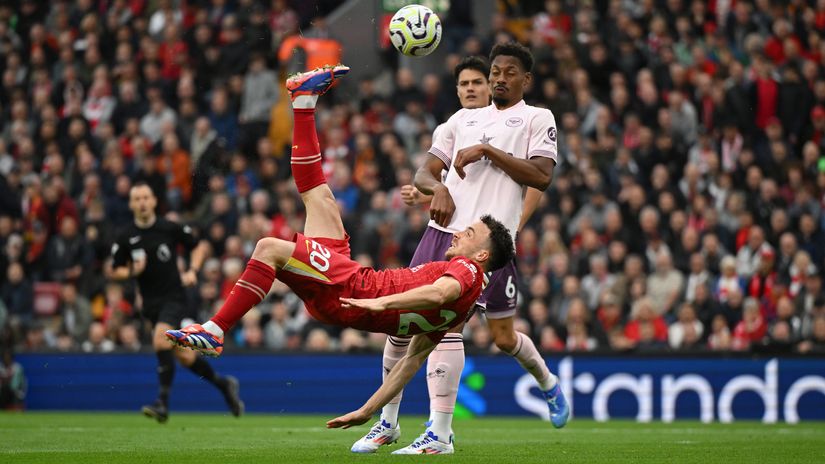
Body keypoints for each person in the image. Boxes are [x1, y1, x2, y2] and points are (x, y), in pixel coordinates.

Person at [165, 65, 516, 442]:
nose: (461, 231)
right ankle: (303, 102)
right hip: (350, 289)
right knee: (320, 198)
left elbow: (438, 292)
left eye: (471, 232)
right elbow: (409, 365)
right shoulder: (457, 313)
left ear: (481, 256)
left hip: (351, 289)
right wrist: (367, 410)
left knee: (268, 247)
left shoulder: (464, 272)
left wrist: (384, 305)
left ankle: (216, 330)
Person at [353, 42, 568, 455]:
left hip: (487, 243)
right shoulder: (460, 120)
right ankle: (390, 423)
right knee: (403, 324)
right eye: (495, 72)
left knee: (499, 338)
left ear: (526, 80)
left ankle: (544, 384)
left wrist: (489, 151)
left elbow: (541, 177)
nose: (499, 78)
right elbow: (423, 171)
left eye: (508, 73)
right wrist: (437, 190)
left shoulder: (537, 118)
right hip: (441, 234)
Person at [110, 182, 243, 423]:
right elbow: (114, 270)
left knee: (160, 337)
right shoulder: (126, 236)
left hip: (174, 297)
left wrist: (193, 269)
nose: (141, 202)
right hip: (150, 304)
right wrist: (131, 270)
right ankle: (224, 385)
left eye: (145, 197)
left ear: (153, 202)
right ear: (131, 204)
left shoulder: (168, 228)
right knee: (184, 357)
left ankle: (162, 402)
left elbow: (198, 247)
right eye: (136, 198)